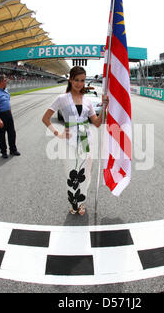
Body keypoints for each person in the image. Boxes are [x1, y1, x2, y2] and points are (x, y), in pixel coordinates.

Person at [41, 66, 109, 216]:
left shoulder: (87, 101)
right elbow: (45, 119)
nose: (79, 83)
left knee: (84, 173)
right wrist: (57, 133)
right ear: (70, 79)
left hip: (85, 139)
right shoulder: (62, 99)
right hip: (69, 140)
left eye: (83, 80)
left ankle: (82, 202)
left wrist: (104, 107)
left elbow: (97, 123)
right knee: (71, 173)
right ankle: (73, 203)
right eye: (76, 80)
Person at [0, 75, 20, 159]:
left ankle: (13, 150)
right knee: (1, 135)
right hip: (1, 115)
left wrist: (10, 114)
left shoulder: (6, 91)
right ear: (1, 82)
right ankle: (3, 152)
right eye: (5, 81)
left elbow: (8, 103)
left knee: (12, 133)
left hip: (8, 114)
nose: (6, 82)